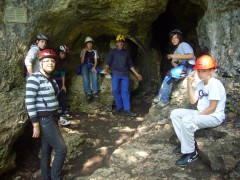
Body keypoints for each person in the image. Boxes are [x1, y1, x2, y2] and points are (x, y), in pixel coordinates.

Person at [170, 55, 226, 166]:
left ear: (211, 71)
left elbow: (212, 108)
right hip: (203, 113)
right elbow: (192, 101)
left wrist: (197, 117)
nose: (200, 74)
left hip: (214, 116)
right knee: (175, 113)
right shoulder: (200, 84)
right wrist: (189, 84)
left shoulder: (215, 84)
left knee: (187, 120)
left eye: (204, 71)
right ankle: (185, 144)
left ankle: (191, 153)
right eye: (199, 71)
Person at [25, 49, 67, 180]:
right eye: (47, 61)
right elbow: (29, 102)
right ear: (40, 63)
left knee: (46, 150)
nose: (50, 63)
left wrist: (58, 118)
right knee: (61, 149)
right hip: (44, 119)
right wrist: (35, 124)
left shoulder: (52, 80)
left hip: (53, 118)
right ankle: (56, 177)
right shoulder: (34, 78)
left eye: (53, 61)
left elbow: (55, 101)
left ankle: (46, 177)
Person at [102, 34, 142, 117]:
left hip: (124, 75)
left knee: (125, 92)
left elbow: (130, 65)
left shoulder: (126, 53)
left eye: (122, 42)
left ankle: (127, 110)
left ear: (123, 43)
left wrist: (137, 74)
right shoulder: (112, 52)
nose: (120, 43)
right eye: (119, 42)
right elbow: (108, 63)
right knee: (115, 90)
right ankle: (119, 107)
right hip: (115, 74)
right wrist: (105, 69)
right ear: (116, 43)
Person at [153, 29, 195, 108]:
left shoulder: (183, 44)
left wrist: (174, 56)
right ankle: (161, 96)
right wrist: (177, 67)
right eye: (172, 38)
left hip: (189, 66)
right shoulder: (176, 50)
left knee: (169, 74)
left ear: (180, 38)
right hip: (182, 66)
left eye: (176, 37)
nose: (173, 39)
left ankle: (164, 100)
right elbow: (173, 61)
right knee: (170, 76)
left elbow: (191, 56)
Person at [52, 45, 71, 126]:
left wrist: (63, 85)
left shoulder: (64, 62)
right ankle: (57, 111)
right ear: (59, 53)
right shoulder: (53, 60)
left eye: (65, 54)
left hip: (59, 79)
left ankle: (64, 110)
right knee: (55, 93)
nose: (63, 55)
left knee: (62, 92)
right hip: (52, 78)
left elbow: (63, 74)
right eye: (62, 53)